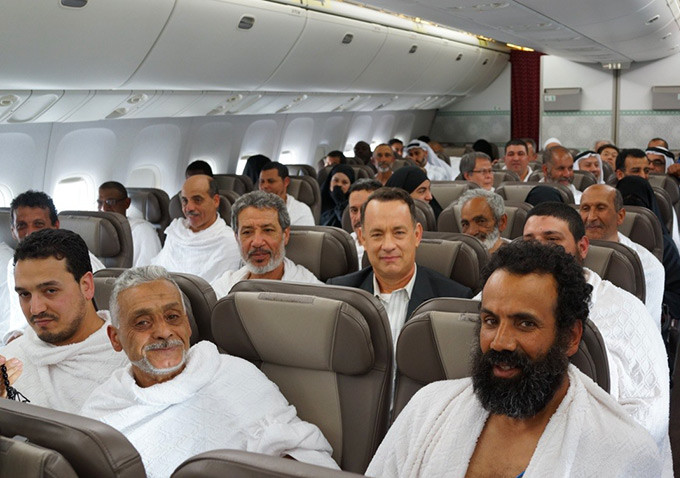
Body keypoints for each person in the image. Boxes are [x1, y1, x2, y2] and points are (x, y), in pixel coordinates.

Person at [366, 240, 665, 477]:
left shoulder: (623, 452)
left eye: (525, 324)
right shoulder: (427, 409)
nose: (500, 342)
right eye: (491, 321)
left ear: (570, 336)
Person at [81, 266, 338, 478]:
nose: (164, 332)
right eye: (143, 322)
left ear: (187, 325)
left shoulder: (236, 375)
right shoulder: (101, 411)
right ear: (115, 338)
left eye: (172, 317)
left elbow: (303, 454)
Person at [523, 202, 671, 460]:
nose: (538, 249)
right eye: (529, 241)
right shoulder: (494, 300)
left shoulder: (625, 309)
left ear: (582, 247)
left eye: (552, 239)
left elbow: (650, 406)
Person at [0, 229, 127, 412]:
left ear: (86, 286)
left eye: (50, 291)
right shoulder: (9, 361)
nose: (36, 309)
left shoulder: (130, 359)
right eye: (25, 294)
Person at [328, 188, 472, 348]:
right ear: (363, 239)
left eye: (399, 233)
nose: (388, 245)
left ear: (417, 235)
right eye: (377, 234)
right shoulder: (339, 295)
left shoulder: (454, 300)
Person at [5, 191, 106, 342]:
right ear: (13, 231)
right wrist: (16, 335)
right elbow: (17, 319)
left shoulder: (80, 261)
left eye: (38, 224)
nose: (30, 232)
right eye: (21, 226)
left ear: (55, 225)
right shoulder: (15, 265)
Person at [579, 184, 666, 325]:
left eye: (600, 208)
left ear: (620, 216)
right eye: (585, 208)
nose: (591, 217)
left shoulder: (648, 266)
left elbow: (646, 325)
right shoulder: (567, 252)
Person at [211, 191, 321, 298]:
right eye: (247, 232)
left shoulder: (310, 290)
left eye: (268, 230)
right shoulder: (224, 287)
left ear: (285, 235)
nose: (257, 242)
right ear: (237, 238)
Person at [150, 175, 239, 282]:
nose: (189, 208)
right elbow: (157, 273)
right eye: (185, 201)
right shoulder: (176, 233)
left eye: (197, 200)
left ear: (215, 201)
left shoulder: (230, 242)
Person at [617, 176, 680, 323]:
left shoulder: (664, 246)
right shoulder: (602, 243)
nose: (633, 205)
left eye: (638, 199)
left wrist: (654, 299)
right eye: (626, 199)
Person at [97, 181, 162, 267]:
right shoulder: (97, 230)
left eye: (111, 202)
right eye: (100, 203)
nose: (104, 208)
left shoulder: (143, 231)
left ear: (127, 203)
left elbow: (147, 272)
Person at [458, 189, 508, 253]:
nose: (471, 232)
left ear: (502, 222)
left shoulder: (518, 257)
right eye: (465, 224)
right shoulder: (455, 256)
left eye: (481, 221)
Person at [347, 179, 382, 266]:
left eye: (365, 209)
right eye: (354, 210)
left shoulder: (389, 248)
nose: (359, 217)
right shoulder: (342, 246)